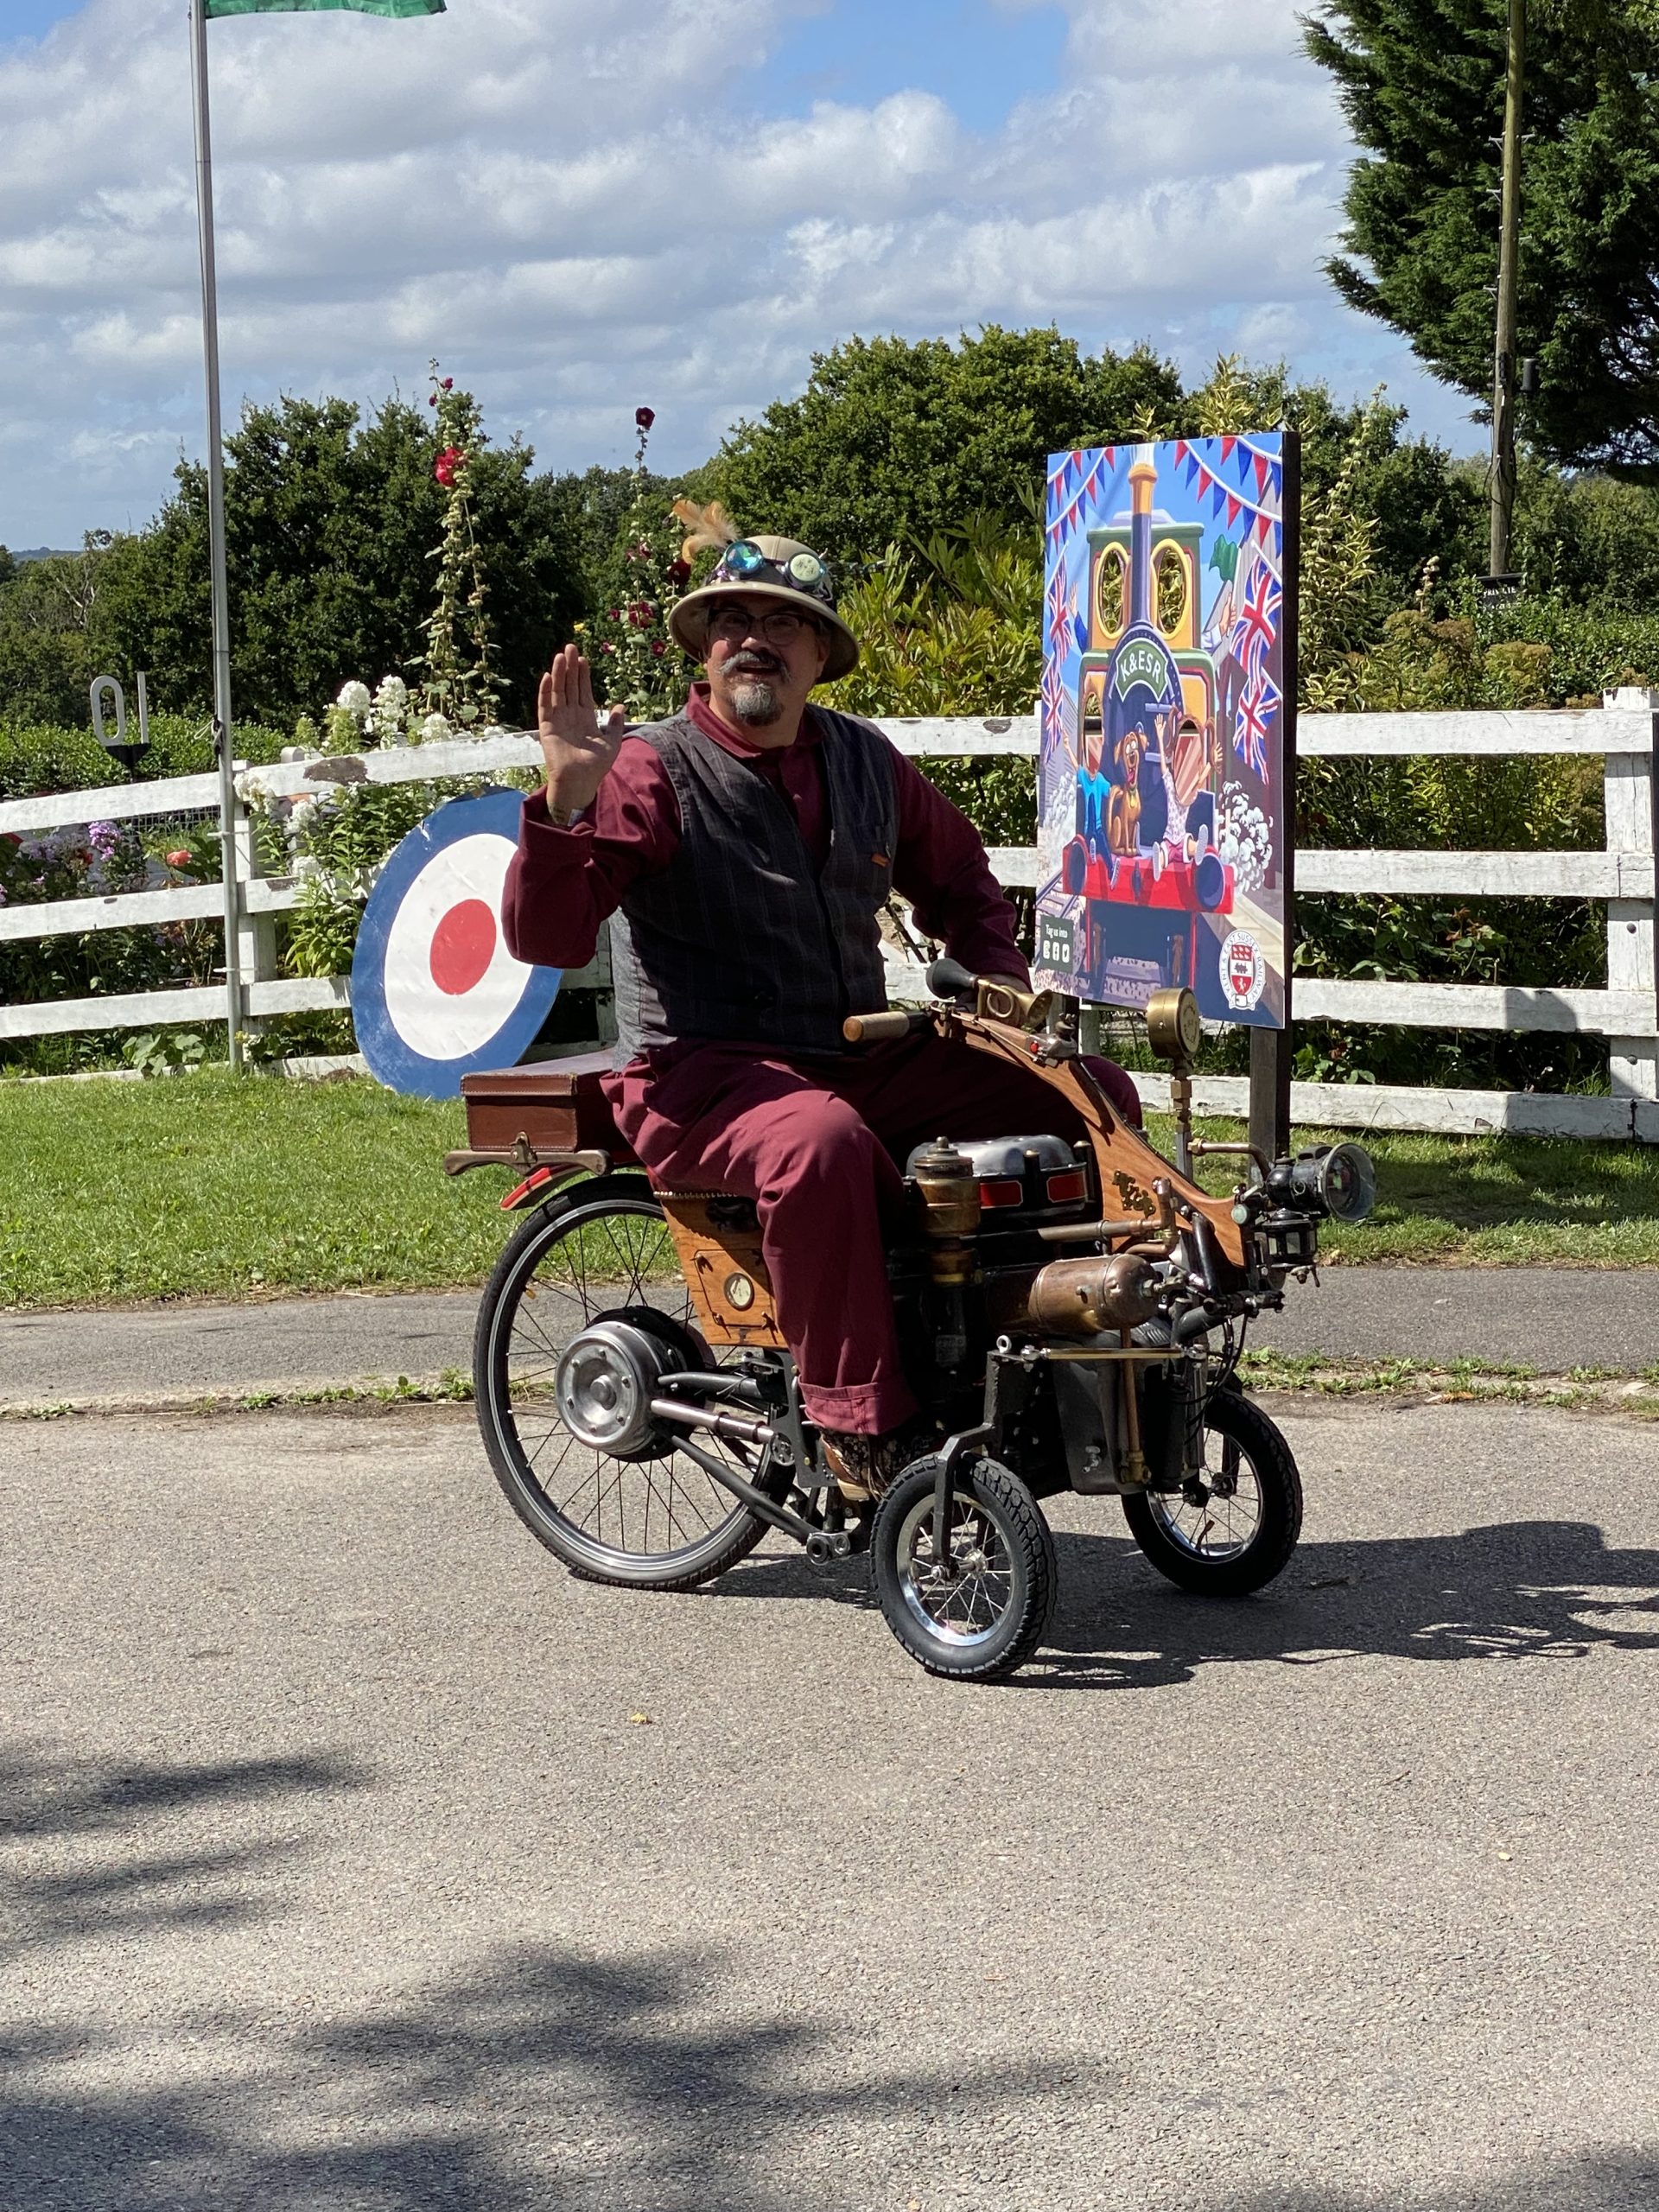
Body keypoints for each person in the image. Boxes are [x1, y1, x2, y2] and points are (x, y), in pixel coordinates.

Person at [502, 531, 1142, 1497]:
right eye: (733, 621)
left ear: (818, 654)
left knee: (1086, 1093)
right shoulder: (646, 772)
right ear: (704, 650)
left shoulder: (866, 762)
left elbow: (963, 881)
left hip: (851, 1057)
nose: (755, 641)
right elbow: (547, 937)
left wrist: (999, 1003)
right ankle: (861, 1433)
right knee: (820, 1145)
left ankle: (1093, 1340)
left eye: (783, 625)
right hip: (698, 1075)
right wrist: (564, 800)